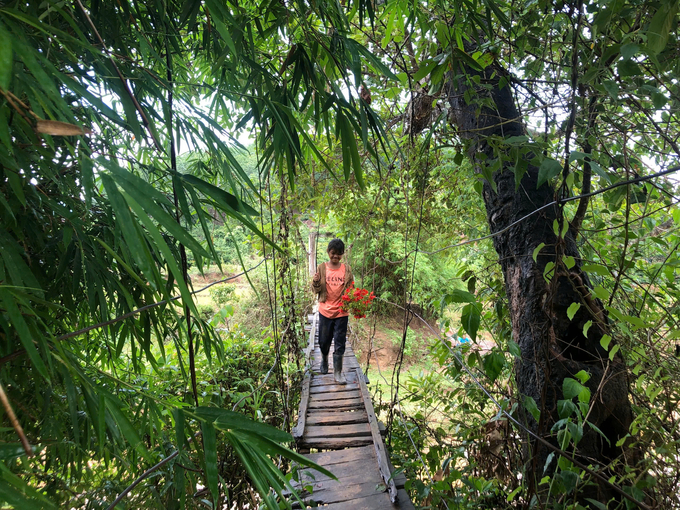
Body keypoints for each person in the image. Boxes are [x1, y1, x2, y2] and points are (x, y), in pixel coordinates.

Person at [311, 238, 354, 384]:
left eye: (339, 254)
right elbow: (316, 290)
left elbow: (351, 289)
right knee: (324, 341)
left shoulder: (347, 269)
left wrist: (355, 299)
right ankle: (324, 359)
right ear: (328, 252)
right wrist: (316, 281)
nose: (335, 256)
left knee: (340, 342)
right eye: (333, 253)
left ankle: (337, 372)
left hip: (342, 311)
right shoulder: (322, 268)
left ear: (343, 254)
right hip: (325, 310)